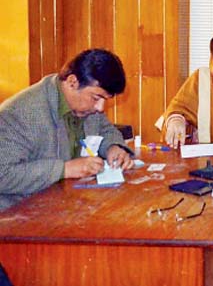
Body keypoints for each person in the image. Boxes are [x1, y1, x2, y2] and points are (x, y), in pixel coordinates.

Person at [0, 48, 133, 211]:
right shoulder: (22, 113)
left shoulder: (85, 106)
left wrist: (113, 147)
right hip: (18, 216)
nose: (100, 108)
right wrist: (64, 169)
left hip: (67, 206)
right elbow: (3, 173)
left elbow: (105, 129)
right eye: (96, 98)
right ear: (72, 82)